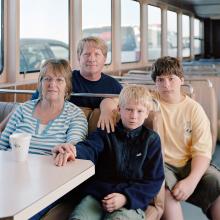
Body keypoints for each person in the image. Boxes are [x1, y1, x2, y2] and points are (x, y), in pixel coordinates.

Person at [53, 85, 164, 220]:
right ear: (119, 109)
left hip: (130, 201)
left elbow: (154, 180)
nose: (134, 116)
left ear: (147, 113)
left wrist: (125, 198)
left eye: (140, 111)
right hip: (98, 194)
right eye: (129, 109)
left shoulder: (151, 140)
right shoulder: (106, 131)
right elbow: (90, 148)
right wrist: (74, 151)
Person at [151, 56, 220, 220]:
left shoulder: (194, 109)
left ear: (181, 80)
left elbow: (202, 152)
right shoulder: (150, 101)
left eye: (171, 79)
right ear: (155, 82)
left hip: (188, 162)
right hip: (162, 164)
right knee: (164, 188)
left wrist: (191, 182)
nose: (166, 85)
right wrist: (106, 108)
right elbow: (120, 101)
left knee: (215, 182)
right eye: (160, 80)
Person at [33, 36, 122, 132]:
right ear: (79, 57)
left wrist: (108, 105)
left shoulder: (113, 86)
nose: (91, 59)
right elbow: (36, 102)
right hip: (61, 131)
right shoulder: (64, 80)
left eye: (97, 54)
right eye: (87, 54)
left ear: (104, 59)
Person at [0, 58, 88, 155]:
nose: (52, 84)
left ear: (67, 87)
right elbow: (2, 145)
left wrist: (69, 148)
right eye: (47, 79)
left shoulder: (75, 115)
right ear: (40, 84)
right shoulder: (22, 109)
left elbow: (73, 145)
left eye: (59, 80)